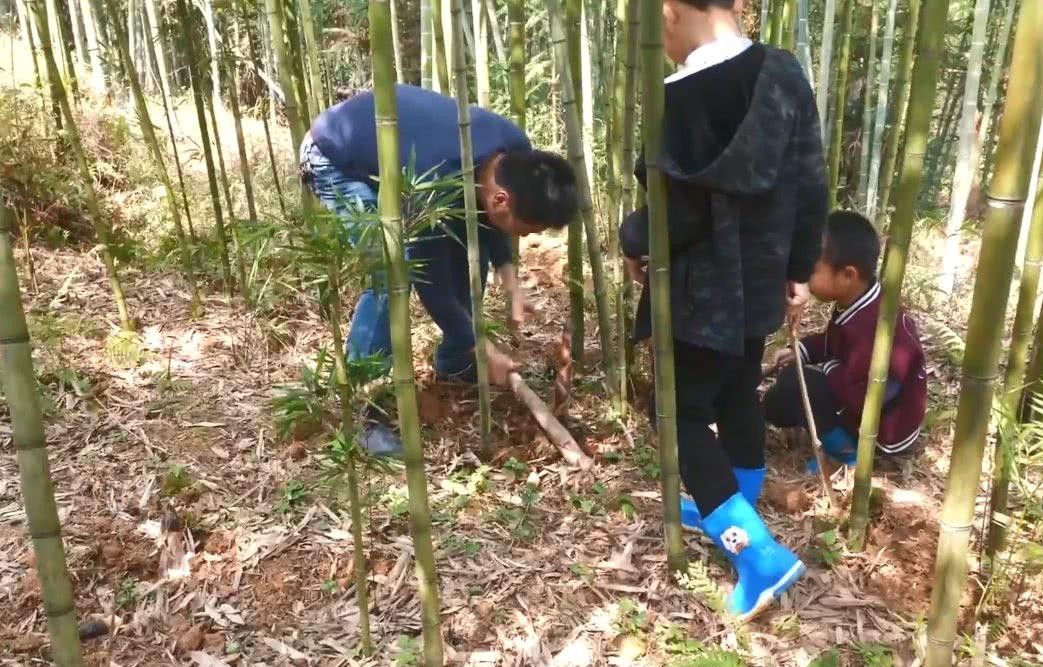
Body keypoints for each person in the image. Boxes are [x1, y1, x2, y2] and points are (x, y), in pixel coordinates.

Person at [620, 0, 827, 619]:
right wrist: (798, 269)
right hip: (761, 280)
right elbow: (812, 180)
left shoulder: (678, 99)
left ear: (670, 11)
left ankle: (754, 552)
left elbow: (682, 215)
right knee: (739, 388)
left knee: (676, 415)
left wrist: (635, 238)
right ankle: (741, 493)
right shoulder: (786, 74)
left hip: (696, 293)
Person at [299, 84, 578, 452]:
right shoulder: (437, 176)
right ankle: (362, 408)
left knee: (466, 244)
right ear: (502, 200)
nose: (524, 236)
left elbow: (486, 220)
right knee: (391, 270)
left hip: (398, 152)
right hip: (336, 157)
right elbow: (429, 278)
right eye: (526, 231)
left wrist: (510, 279)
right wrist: (480, 344)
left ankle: (454, 362)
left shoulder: (516, 150)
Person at [763, 211, 927, 472]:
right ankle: (762, 415)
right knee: (790, 383)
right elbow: (835, 341)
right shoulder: (858, 302)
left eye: (811, 270)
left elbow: (867, 397)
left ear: (848, 274)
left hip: (882, 432)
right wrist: (803, 351)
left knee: (797, 383)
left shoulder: (876, 326)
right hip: (861, 400)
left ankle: (846, 456)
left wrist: (827, 368)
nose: (804, 278)